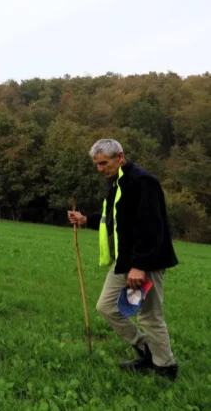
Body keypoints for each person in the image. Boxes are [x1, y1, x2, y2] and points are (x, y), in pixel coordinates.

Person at [68, 139, 179, 381]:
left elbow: (151, 227)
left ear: (120, 156)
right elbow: (115, 220)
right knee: (106, 306)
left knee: (149, 316)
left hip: (145, 262)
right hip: (125, 261)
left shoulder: (142, 182)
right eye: (96, 164)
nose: (99, 169)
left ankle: (165, 368)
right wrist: (86, 219)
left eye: (103, 163)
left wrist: (139, 266)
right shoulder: (117, 182)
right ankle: (145, 349)